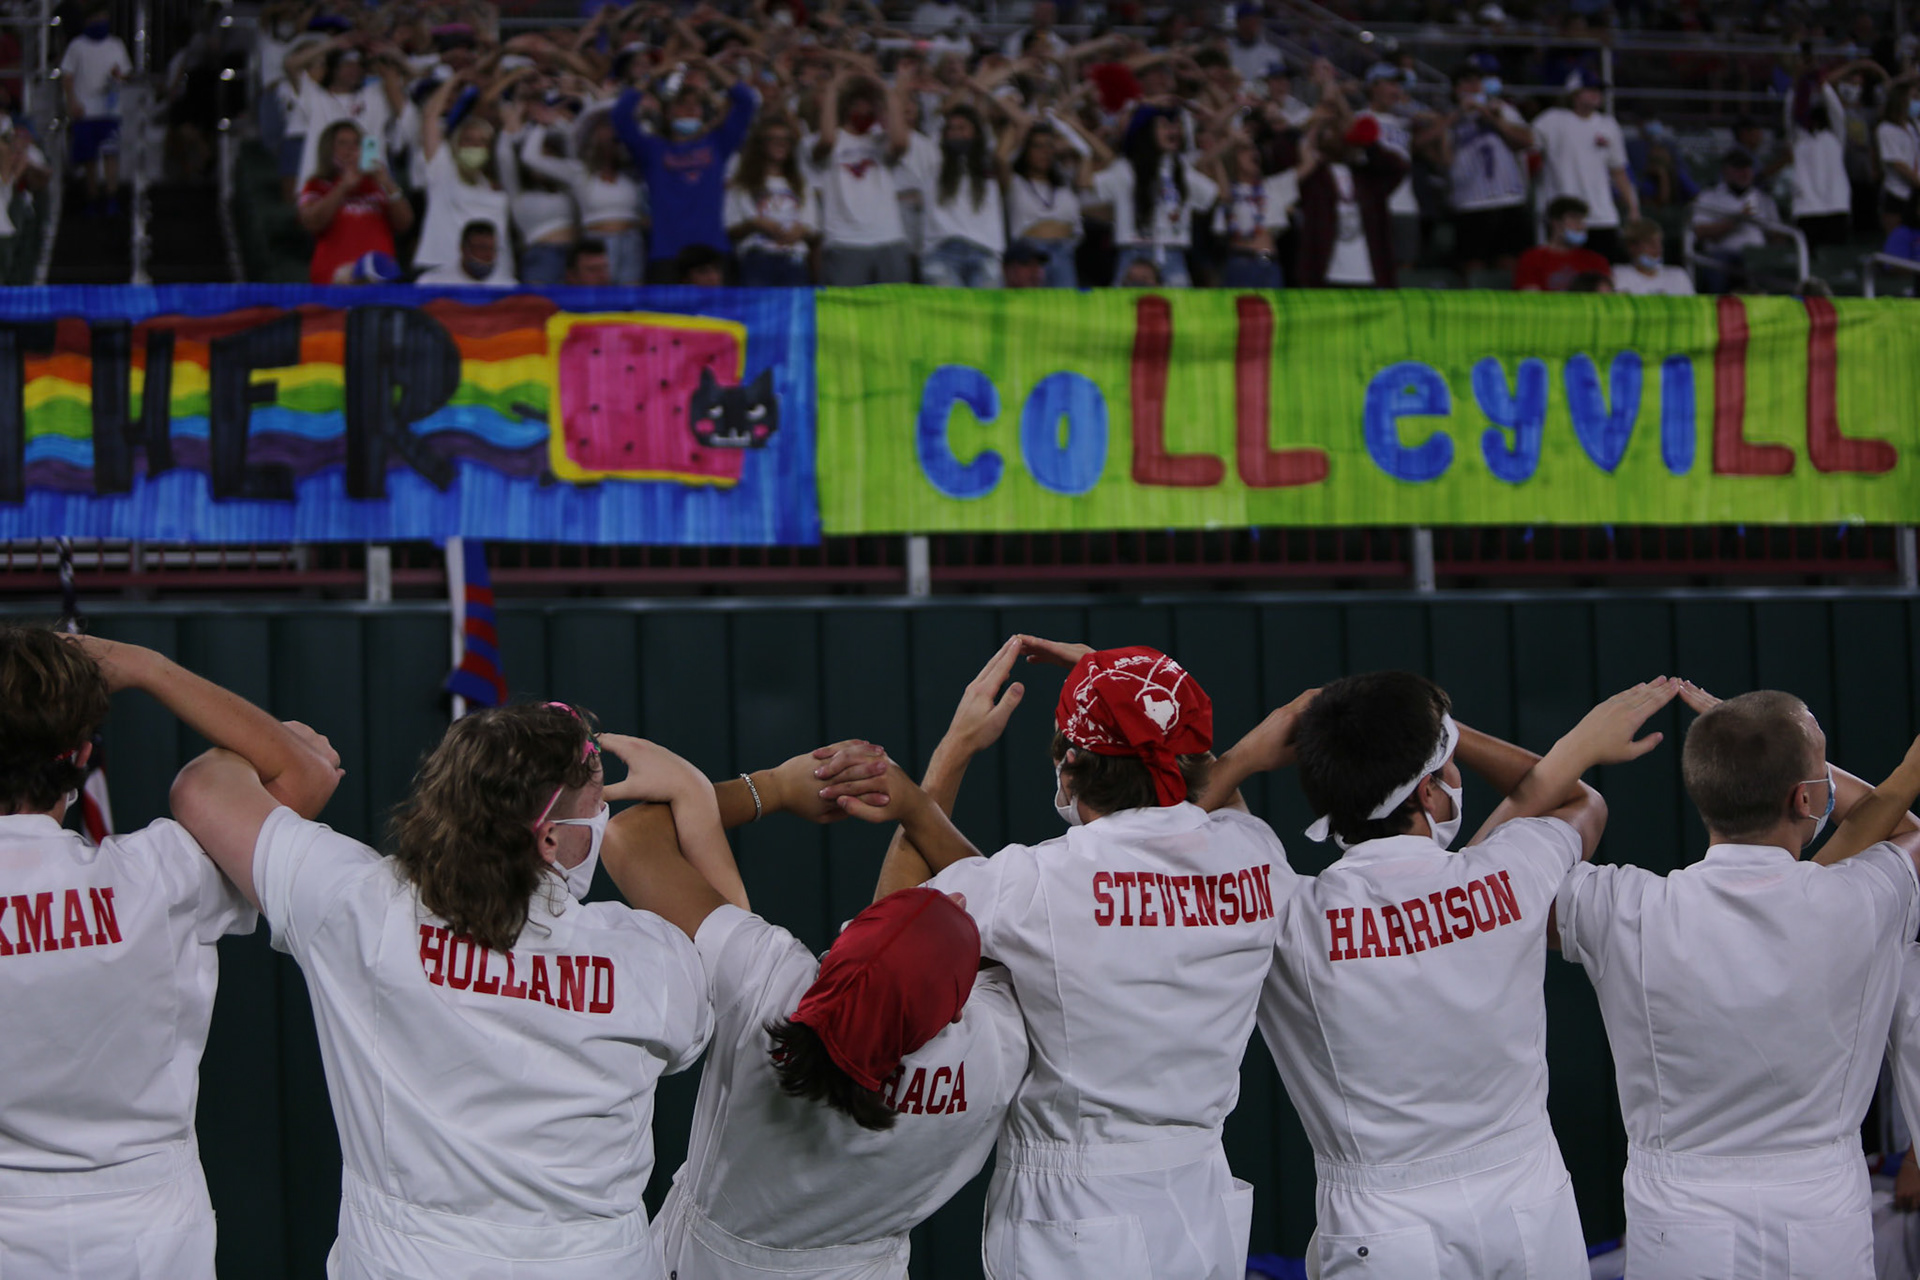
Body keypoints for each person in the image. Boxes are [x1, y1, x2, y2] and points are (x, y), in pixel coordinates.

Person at [169, 703, 719, 1278]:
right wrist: (699, 795)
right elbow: (743, 968)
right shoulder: (646, 959)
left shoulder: (363, 907)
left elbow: (203, 787)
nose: (605, 813)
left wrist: (286, 741)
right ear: (551, 841)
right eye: (597, 805)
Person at [831, 637, 1287, 1280]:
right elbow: (1196, 784)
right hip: (1200, 1201)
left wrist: (949, 755)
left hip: (1075, 1210)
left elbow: (880, 946)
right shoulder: (1254, 855)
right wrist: (1122, 682)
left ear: (1070, 763)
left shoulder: (1037, 881)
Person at [1199, 674, 1677, 1279]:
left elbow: (1168, 832)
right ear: (1430, 790)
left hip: (1381, 1225)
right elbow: (1577, 801)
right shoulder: (1508, 868)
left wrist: (1244, 756)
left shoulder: (1286, 913)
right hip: (1527, 1205)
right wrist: (1452, 736)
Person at [600, 725, 1027, 1280]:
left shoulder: (773, 985)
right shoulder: (993, 1055)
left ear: (838, 952)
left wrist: (772, 788)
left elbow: (631, 836)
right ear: (953, 1012)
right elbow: (1011, 939)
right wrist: (927, 792)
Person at [0, 629, 340, 1279]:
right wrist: (149, 668)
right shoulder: (155, 876)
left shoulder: (156, 874)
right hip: (149, 1235)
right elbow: (301, 768)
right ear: (79, 756)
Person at [1558, 682, 1920, 1279]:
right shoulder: (1862, 898)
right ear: (1808, 797)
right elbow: (1904, 827)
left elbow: (1502, 872)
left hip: (1680, 1229)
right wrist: (1779, 751)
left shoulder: (1627, 906)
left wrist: (1575, 751)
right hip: (1821, 1226)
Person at [613, 57, 759, 283]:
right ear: (668, 113)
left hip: (712, 249)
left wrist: (710, 66)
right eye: (682, 104)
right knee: (667, 319)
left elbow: (746, 102)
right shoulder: (652, 149)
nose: (690, 109)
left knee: (718, 318)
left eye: (696, 104)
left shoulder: (717, 143)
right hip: (667, 252)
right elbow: (621, 116)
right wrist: (653, 75)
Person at [1088, 108, 1220, 287]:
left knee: (1178, 313)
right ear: (1147, 132)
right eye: (1165, 126)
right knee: (1124, 313)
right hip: (1133, 254)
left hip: (1172, 253)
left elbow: (1216, 195)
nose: (1173, 131)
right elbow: (1085, 183)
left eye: (1175, 126)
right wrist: (1087, 151)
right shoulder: (1127, 169)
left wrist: (1213, 156)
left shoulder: (1181, 169)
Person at [1424, 65, 1534, 275]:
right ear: (1455, 90)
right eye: (1465, 82)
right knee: (1473, 266)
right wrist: (1455, 117)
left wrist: (1491, 118)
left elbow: (1526, 140)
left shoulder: (1502, 110)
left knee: (1509, 264)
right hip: (1469, 203)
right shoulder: (1447, 119)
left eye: (1476, 81)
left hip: (1508, 198)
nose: (1472, 87)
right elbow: (1437, 156)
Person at [520, 109, 646, 286]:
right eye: (602, 131)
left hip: (631, 243)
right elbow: (531, 157)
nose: (608, 137)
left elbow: (646, 133)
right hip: (597, 245)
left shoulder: (633, 175)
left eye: (612, 132)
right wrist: (545, 124)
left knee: (630, 303)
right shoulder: (579, 174)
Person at [1292, 104, 1407, 289]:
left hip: (1369, 275)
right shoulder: (1314, 177)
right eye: (1330, 130)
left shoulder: (1367, 178)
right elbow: (1289, 162)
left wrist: (1368, 143)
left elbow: (1398, 168)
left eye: (1340, 129)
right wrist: (1314, 127)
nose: (1337, 134)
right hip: (1326, 275)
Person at [416, 73, 514, 281]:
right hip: (443, 269)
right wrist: (454, 79)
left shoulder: (494, 183)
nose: (473, 146)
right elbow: (430, 116)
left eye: (481, 142)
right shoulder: (443, 170)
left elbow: (511, 127)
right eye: (467, 140)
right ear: (457, 144)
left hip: (493, 275)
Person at [1530, 69, 1637, 260]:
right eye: (1589, 89)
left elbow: (1618, 171)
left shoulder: (1608, 124)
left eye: (1598, 89)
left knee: (1602, 272)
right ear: (1574, 94)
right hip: (1563, 217)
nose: (1596, 93)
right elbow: (1528, 149)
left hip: (1602, 215)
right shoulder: (1552, 120)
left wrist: (1633, 207)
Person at [300, 119, 415, 286]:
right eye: (342, 144)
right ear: (329, 149)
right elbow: (311, 222)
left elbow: (405, 223)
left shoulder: (377, 185)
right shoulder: (317, 184)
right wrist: (343, 187)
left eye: (356, 143)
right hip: (333, 280)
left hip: (378, 279)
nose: (350, 149)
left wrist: (387, 183)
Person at [283, 36, 404, 191]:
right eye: (347, 65)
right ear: (333, 68)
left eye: (358, 65)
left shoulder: (375, 95)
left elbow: (410, 74)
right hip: (321, 185)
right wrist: (332, 44)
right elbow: (290, 65)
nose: (353, 70)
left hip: (371, 186)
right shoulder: (315, 97)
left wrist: (391, 53)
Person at [1003, 116, 1106, 290]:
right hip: (1029, 256)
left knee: (1064, 312)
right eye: (1038, 146)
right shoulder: (1015, 183)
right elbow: (1001, 157)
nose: (1045, 151)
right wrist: (1023, 117)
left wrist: (1069, 129)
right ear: (1025, 150)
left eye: (1050, 146)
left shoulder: (1066, 185)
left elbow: (1101, 157)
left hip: (1065, 252)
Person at [1787, 61, 1880, 250]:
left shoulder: (1836, 136)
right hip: (1806, 208)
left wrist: (1824, 86)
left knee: (1834, 258)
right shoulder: (1798, 138)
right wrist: (1800, 85)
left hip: (1837, 205)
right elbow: (1789, 111)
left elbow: (1836, 110)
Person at [919, 102, 1007, 288]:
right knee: (947, 318)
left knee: (985, 316)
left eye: (962, 128)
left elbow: (1020, 124)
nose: (955, 133)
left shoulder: (990, 165)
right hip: (942, 252)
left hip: (985, 252)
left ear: (976, 133)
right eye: (950, 129)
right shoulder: (932, 159)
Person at [725, 115, 817, 287]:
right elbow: (731, 228)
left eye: (785, 140)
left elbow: (812, 228)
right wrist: (755, 224)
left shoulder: (802, 184)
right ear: (760, 144)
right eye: (773, 139)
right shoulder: (743, 184)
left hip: (794, 259)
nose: (780, 144)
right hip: (757, 258)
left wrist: (800, 231)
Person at [1354, 63, 1427, 267]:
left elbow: (1439, 122)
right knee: (1373, 267)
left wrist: (1412, 112)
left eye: (1398, 85)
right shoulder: (1359, 119)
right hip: (1374, 205)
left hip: (1406, 206)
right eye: (1390, 84)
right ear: (1373, 87)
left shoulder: (1404, 122)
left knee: (1405, 269)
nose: (1396, 90)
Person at [60, 8, 131, 216]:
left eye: (104, 18)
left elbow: (126, 73)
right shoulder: (77, 46)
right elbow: (67, 76)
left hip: (109, 110)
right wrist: (72, 101)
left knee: (111, 155)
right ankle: (92, 197)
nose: (101, 21)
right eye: (97, 18)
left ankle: (111, 196)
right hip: (85, 110)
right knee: (89, 159)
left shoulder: (115, 44)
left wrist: (119, 76)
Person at [1690, 149, 1784, 292]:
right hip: (1723, 257)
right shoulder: (1709, 196)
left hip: (1757, 256)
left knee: (1775, 263)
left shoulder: (1763, 199)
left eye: (1747, 168)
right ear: (1725, 171)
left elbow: (1778, 235)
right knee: (1720, 262)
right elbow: (1700, 232)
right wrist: (1736, 221)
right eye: (1738, 169)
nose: (1744, 173)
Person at [1209, 136, 1294, 287]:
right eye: (1244, 150)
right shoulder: (1226, 191)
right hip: (1239, 263)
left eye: (1254, 149)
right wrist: (1229, 139)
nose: (1252, 153)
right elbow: (1210, 161)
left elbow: (1309, 162)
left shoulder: (1273, 185)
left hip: (1269, 263)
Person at [1514, 196, 1611, 291]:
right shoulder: (1532, 258)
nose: (1580, 226)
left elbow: (1606, 297)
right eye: (1574, 218)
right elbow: (1530, 298)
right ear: (1556, 223)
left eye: (1582, 220)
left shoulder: (1596, 260)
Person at [1876, 81, 1920, 234]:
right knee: (1896, 239)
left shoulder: (1913, 126)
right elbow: (1897, 164)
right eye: (1914, 97)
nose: (1917, 101)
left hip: (1915, 193)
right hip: (1897, 193)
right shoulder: (1886, 129)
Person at [416, 219, 512, 287]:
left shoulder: (509, 288)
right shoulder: (431, 284)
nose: (488, 255)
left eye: (492, 249)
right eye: (482, 248)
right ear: (463, 249)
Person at [1610, 218, 1694, 294]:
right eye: (1650, 243)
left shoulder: (1678, 276)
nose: (1657, 248)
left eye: (1659, 242)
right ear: (1632, 247)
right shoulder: (1618, 275)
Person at [1228, 5, 1285, 85]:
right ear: (1239, 22)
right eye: (1248, 19)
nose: (1253, 23)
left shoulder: (1272, 53)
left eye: (1256, 19)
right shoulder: (1226, 49)